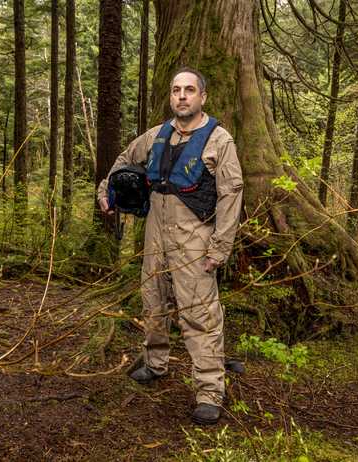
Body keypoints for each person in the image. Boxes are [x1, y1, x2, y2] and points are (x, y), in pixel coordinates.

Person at [97, 67, 243, 425]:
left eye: (189, 90)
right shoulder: (157, 135)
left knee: (199, 314)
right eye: (176, 89)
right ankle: (155, 361)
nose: (182, 96)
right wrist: (107, 192)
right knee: (153, 302)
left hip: (195, 238)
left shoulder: (218, 140)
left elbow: (231, 194)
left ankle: (209, 391)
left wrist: (219, 248)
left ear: (202, 97)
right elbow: (123, 162)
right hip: (155, 235)